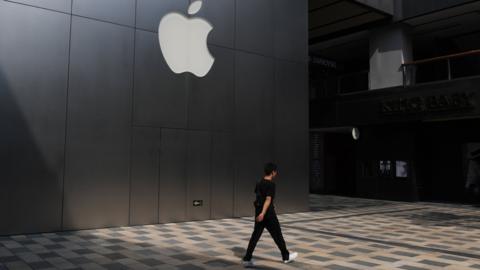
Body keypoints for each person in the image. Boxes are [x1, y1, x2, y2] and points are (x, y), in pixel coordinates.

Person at [242, 162, 298, 267]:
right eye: (275, 172)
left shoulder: (258, 182)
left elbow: (259, 197)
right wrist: (264, 212)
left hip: (259, 214)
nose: (276, 174)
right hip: (268, 215)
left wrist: (260, 212)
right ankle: (286, 257)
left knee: (255, 236)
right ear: (273, 172)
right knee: (278, 235)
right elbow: (268, 199)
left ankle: (247, 258)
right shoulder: (271, 185)